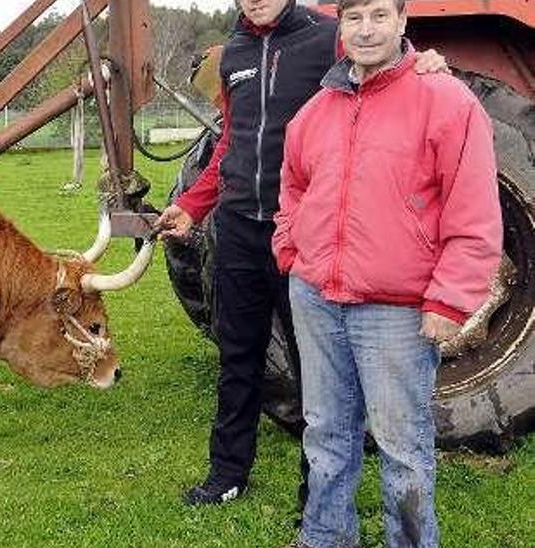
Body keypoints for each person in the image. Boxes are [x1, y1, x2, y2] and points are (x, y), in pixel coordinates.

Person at [156, 0, 446, 506]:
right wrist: (193, 205)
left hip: (303, 235)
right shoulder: (234, 52)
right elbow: (231, 139)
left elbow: (378, 67)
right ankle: (227, 475)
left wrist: (422, 61)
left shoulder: (328, 35)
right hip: (240, 230)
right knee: (238, 355)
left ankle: (318, 495)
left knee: (315, 370)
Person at [274, 0, 501, 543]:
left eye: (379, 15)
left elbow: (474, 211)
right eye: (354, 18)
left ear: (402, 22)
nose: (366, 29)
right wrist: (291, 251)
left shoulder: (445, 101)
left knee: (403, 447)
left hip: (394, 311)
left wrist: (449, 301)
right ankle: (326, 537)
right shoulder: (316, 110)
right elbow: (292, 190)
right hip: (317, 299)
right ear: (341, 27)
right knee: (326, 435)